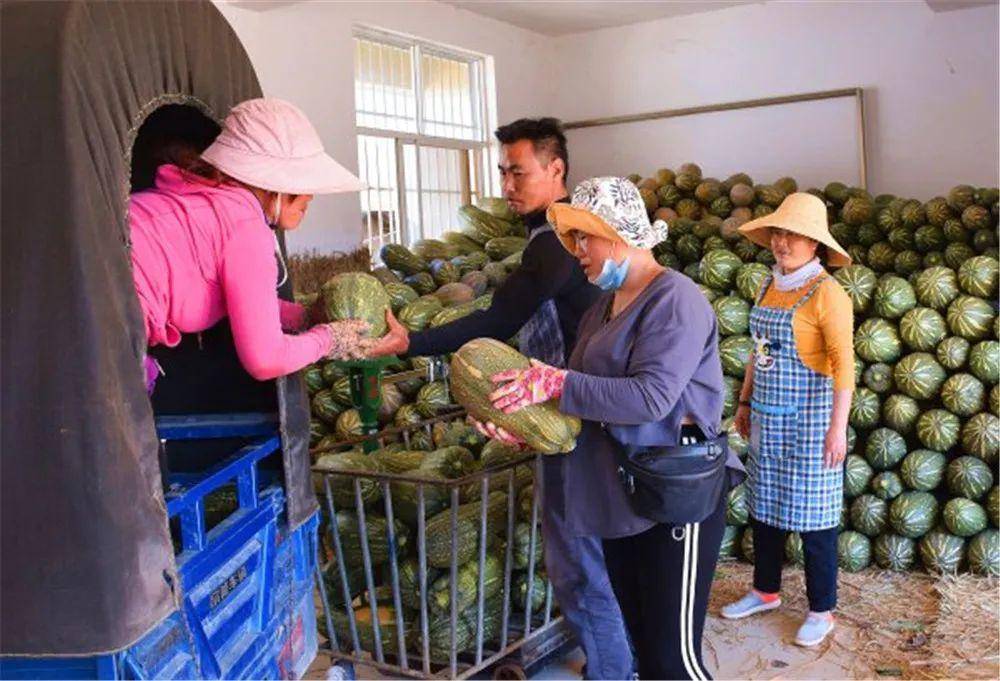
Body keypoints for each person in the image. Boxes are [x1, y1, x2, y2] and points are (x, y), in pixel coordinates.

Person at [369, 120, 634, 679]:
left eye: (519, 172)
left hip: (571, 419)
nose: (508, 184)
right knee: (578, 561)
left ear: (556, 170)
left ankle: (614, 670)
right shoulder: (552, 241)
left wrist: (410, 341)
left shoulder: (558, 247)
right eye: (503, 172)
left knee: (581, 564)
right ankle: (613, 662)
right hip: (566, 413)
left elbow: (499, 318)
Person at [486, 176, 741, 680]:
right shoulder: (603, 307)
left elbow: (650, 398)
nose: (577, 250)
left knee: (676, 661)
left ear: (619, 234)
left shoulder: (676, 299)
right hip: (620, 498)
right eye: (573, 238)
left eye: (586, 237)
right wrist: (529, 426)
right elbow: (591, 401)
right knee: (644, 654)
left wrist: (555, 383)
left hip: (674, 497)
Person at [129, 98, 370, 394]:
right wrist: (329, 340)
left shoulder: (208, 202)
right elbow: (265, 359)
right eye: (305, 183)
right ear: (275, 183)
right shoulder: (246, 227)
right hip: (106, 322)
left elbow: (246, 302)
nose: (310, 197)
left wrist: (304, 317)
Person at [721, 192, 855, 648]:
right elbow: (759, 354)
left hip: (814, 422)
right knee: (767, 511)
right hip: (768, 417)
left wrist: (838, 428)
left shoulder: (828, 294)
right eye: (778, 233)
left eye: (792, 236)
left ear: (815, 244)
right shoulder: (767, 285)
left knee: (816, 521)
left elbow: (844, 366)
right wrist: (744, 403)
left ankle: (822, 610)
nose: (782, 243)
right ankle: (765, 590)